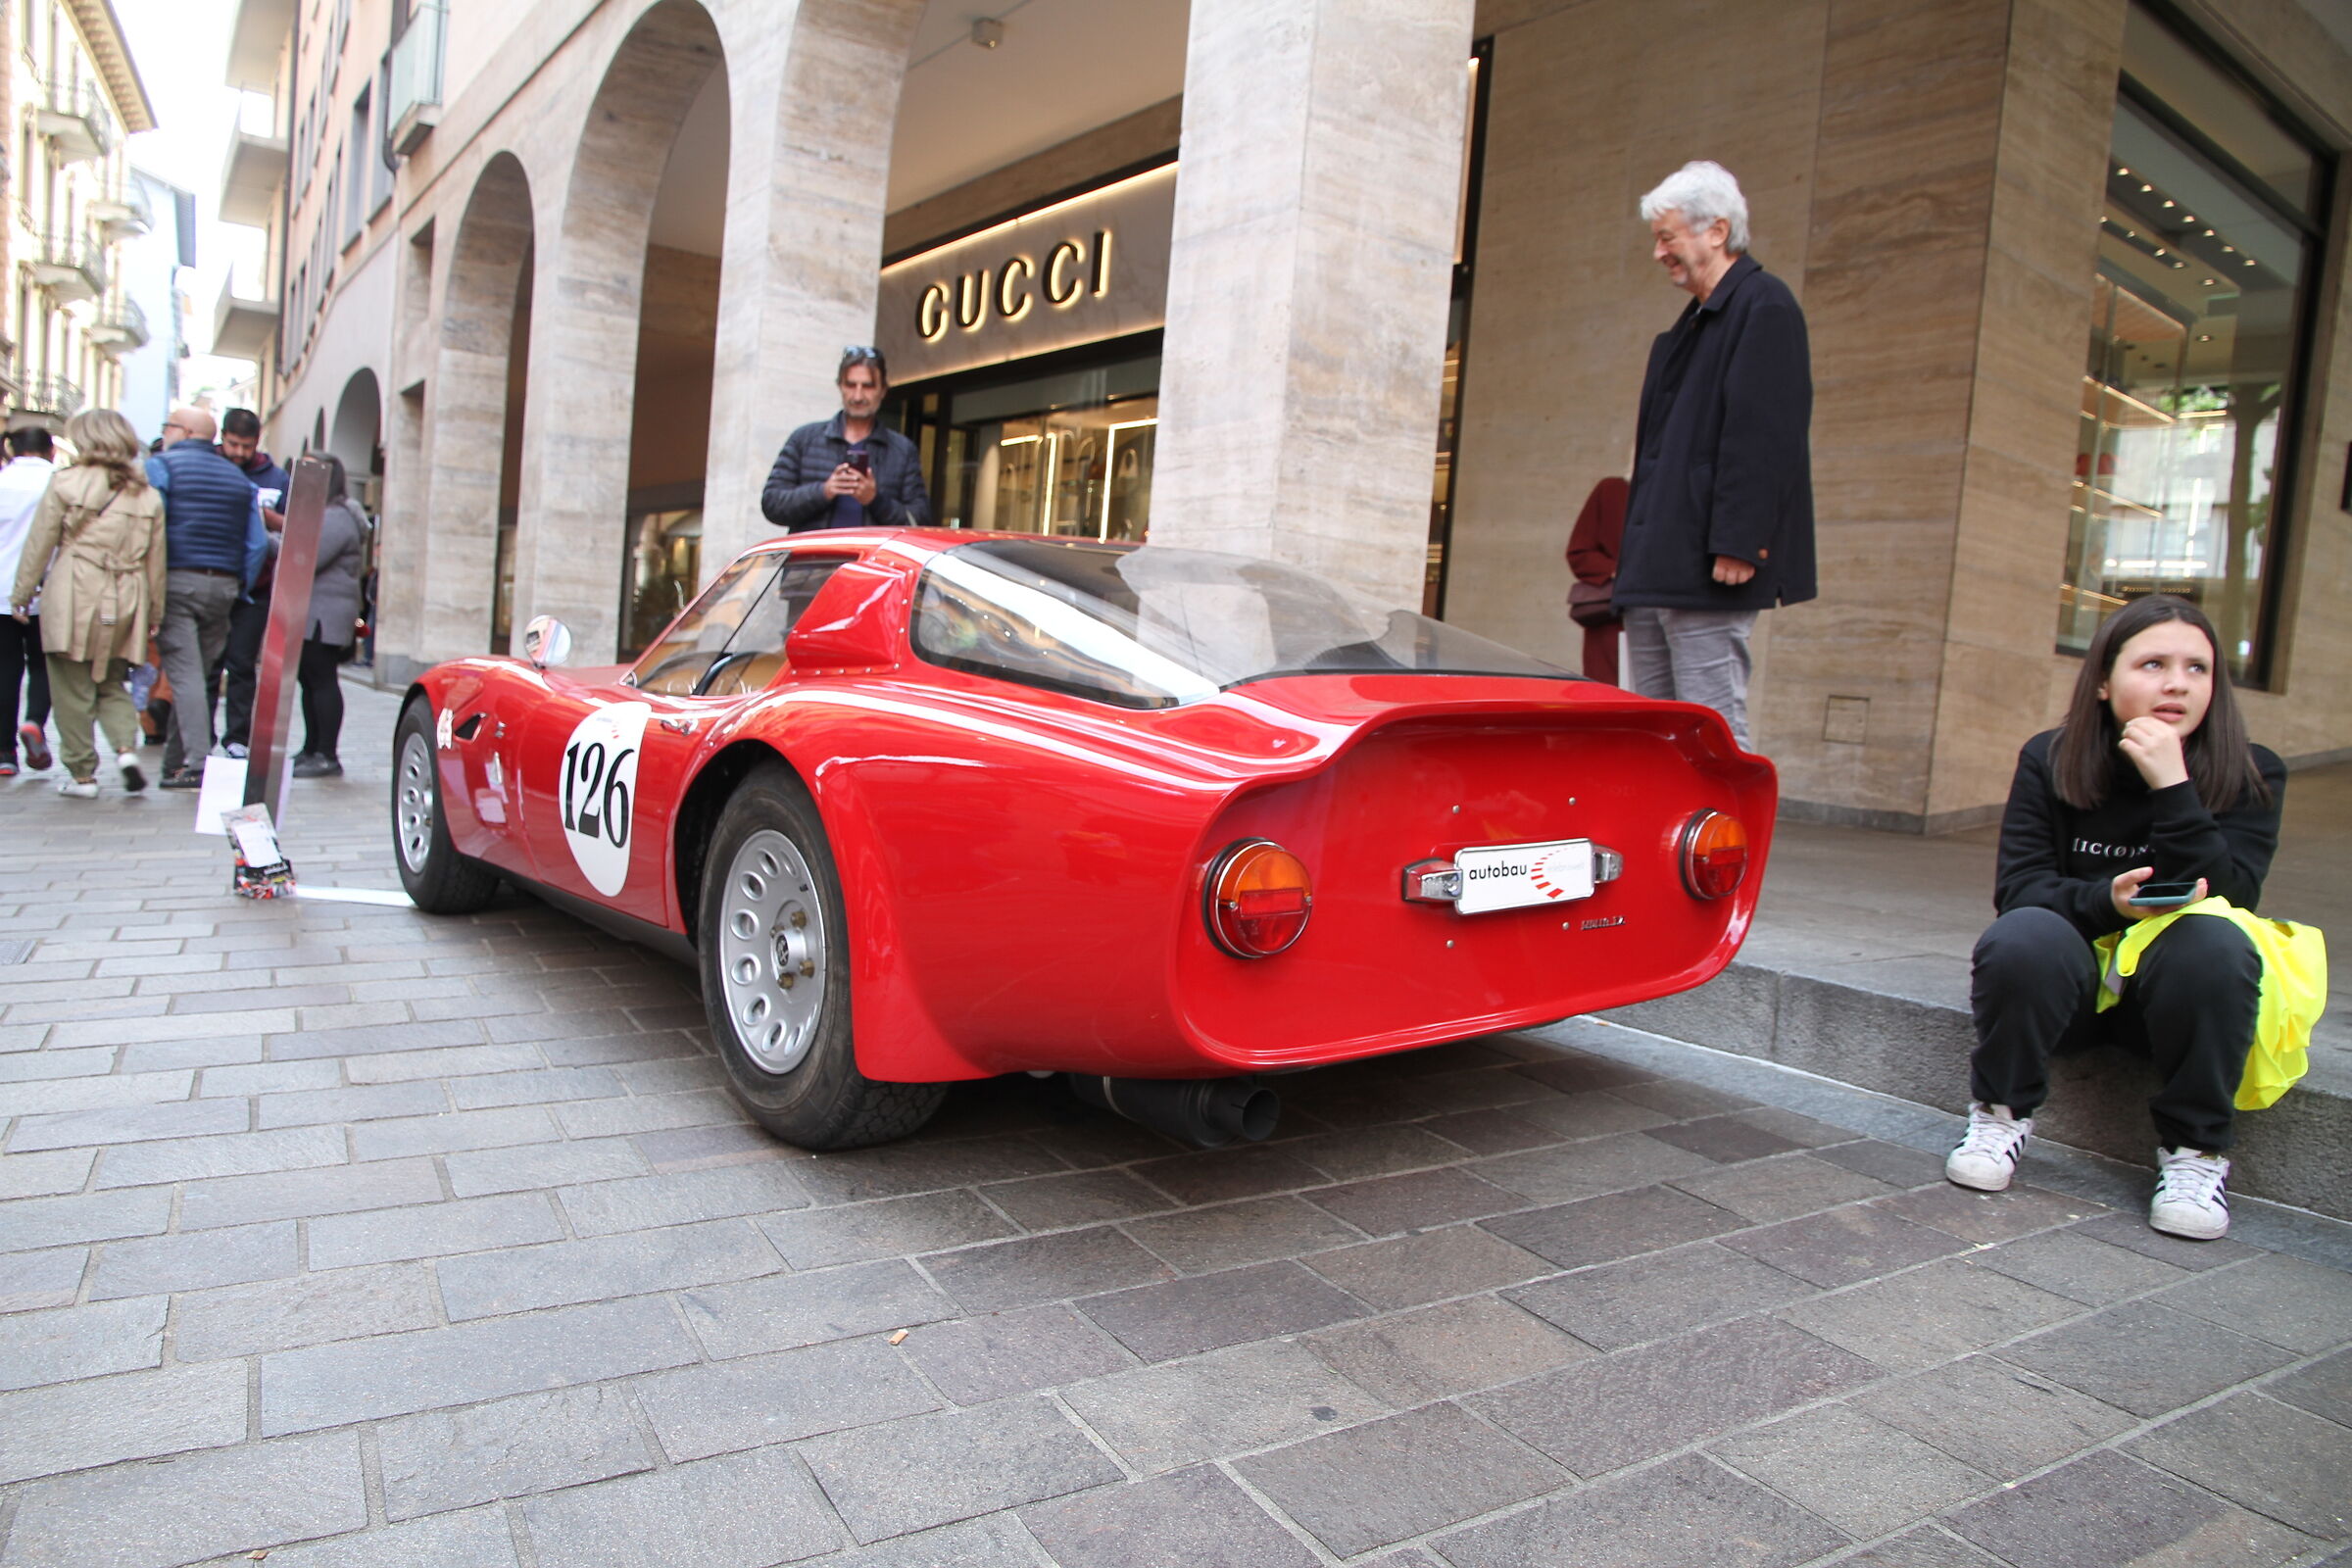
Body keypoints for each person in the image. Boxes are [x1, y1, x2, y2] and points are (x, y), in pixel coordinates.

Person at [1945, 595, 2287, 1241]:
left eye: (2197, 668)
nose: (2177, 684)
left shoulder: (2252, 770)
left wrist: (2173, 785)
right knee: (2022, 935)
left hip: (2171, 1006)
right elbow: (2019, 888)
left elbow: (2237, 894)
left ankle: (2196, 1152)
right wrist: (2108, 902)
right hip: (2069, 994)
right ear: (2103, 680)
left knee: (2215, 943)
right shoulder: (2051, 758)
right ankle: (1999, 1115)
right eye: (2153, 664)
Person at [1615, 160, 1815, 750]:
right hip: (1657, 565)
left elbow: (1766, 434)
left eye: (1667, 237)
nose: (1659, 253)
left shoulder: (1764, 306)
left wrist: (1740, 538)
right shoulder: (1690, 327)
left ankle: (1732, 844)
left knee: (1709, 730)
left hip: (1707, 566)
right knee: (1650, 734)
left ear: (1716, 231)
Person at [7, 410, 168, 798]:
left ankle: (83, 775)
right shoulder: (147, 495)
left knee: (70, 686)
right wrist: (154, 613)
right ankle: (126, 749)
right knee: (111, 681)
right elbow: (156, 562)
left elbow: (40, 544)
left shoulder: (65, 483)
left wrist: (21, 594)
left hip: (74, 590)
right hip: (126, 594)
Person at [148, 408, 270, 788]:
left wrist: (151, 585)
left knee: (185, 675)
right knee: (195, 675)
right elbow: (258, 543)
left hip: (177, 581)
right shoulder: (238, 480)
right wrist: (240, 585)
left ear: (183, 431)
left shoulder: (161, 467)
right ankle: (172, 762)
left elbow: (153, 531)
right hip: (224, 587)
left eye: (167, 426)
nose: (164, 432)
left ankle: (197, 763)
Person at [760, 348, 931, 532]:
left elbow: (919, 521)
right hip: (813, 558)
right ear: (840, 386)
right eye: (851, 385)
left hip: (871, 559)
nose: (858, 396)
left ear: (882, 390)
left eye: (868, 386)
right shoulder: (804, 439)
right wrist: (824, 491)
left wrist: (875, 499)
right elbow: (772, 504)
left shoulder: (902, 450)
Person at [216, 408, 291, 756]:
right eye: (233, 444)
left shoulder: (275, 477)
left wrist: (260, 513)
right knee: (208, 664)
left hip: (257, 587)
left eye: (246, 446)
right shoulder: (212, 469)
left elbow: (292, 525)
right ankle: (199, 737)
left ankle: (237, 738)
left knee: (242, 664)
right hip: (217, 578)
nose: (239, 453)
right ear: (222, 436)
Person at [290, 455, 369, 779]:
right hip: (315, 613)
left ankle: (326, 753)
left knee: (321, 681)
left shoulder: (336, 518)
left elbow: (307, 556)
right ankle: (311, 748)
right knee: (309, 680)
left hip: (326, 615)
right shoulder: (327, 514)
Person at [0, 426, 59, 776]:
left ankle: (4, 753)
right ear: (51, 451)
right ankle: (35, 722)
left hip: (2, 590)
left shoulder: (2, 481)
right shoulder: (59, 482)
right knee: (44, 664)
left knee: (5, 669)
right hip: (48, 590)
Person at [1566, 474, 1629, 686]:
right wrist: (1621, 571)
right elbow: (1580, 553)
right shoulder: (1614, 489)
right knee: (1611, 698)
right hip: (1613, 619)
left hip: (1676, 617)